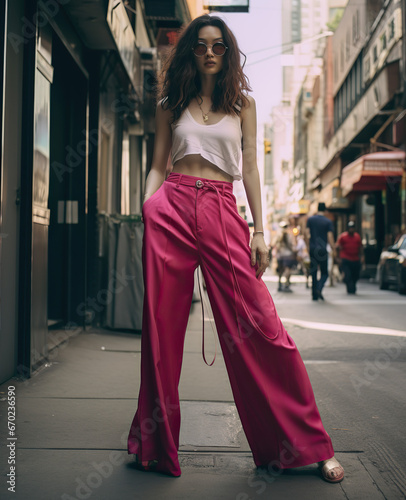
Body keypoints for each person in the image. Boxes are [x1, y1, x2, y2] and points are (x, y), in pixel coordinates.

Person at [127, 14, 344, 483]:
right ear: (189, 50)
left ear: (228, 52)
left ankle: (307, 444)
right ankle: (154, 447)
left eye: (219, 45)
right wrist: (149, 205)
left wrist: (261, 230)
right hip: (172, 208)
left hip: (224, 211)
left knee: (262, 327)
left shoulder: (242, 104)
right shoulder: (169, 102)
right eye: (201, 44)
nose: (209, 52)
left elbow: (250, 170)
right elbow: (157, 164)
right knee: (161, 334)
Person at [306, 203, 336, 301]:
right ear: (325, 210)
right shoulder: (328, 222)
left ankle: (314, 295)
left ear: (317, 209)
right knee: (324, 273)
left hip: (313, 249)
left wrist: (308, 247)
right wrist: (333, 248)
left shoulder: (310, 220)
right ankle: (319, 288)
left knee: (313, 272)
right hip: (322, 250)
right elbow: (330, 236)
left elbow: (306, 234)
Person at [336, 221, 364, 294]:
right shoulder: (343, 236)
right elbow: (337, 246)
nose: (351, 229)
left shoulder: (357, 236)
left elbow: (361, 247)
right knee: (348, 275)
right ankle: (350, 287)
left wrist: (363, 257)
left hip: (355, 259)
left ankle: (353, 285)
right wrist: (338, 257)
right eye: (350, 228)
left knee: (355, 275)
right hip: (345, 258)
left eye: (352, 228)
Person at [275, 221, 297, 292]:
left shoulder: (277, 235)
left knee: (280, 271)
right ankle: (286, 285)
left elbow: (274, 245)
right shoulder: (288, 235)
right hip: (287, 255)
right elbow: (290, 245)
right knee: (288, 270)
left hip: (280, 255)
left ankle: (280, 285)